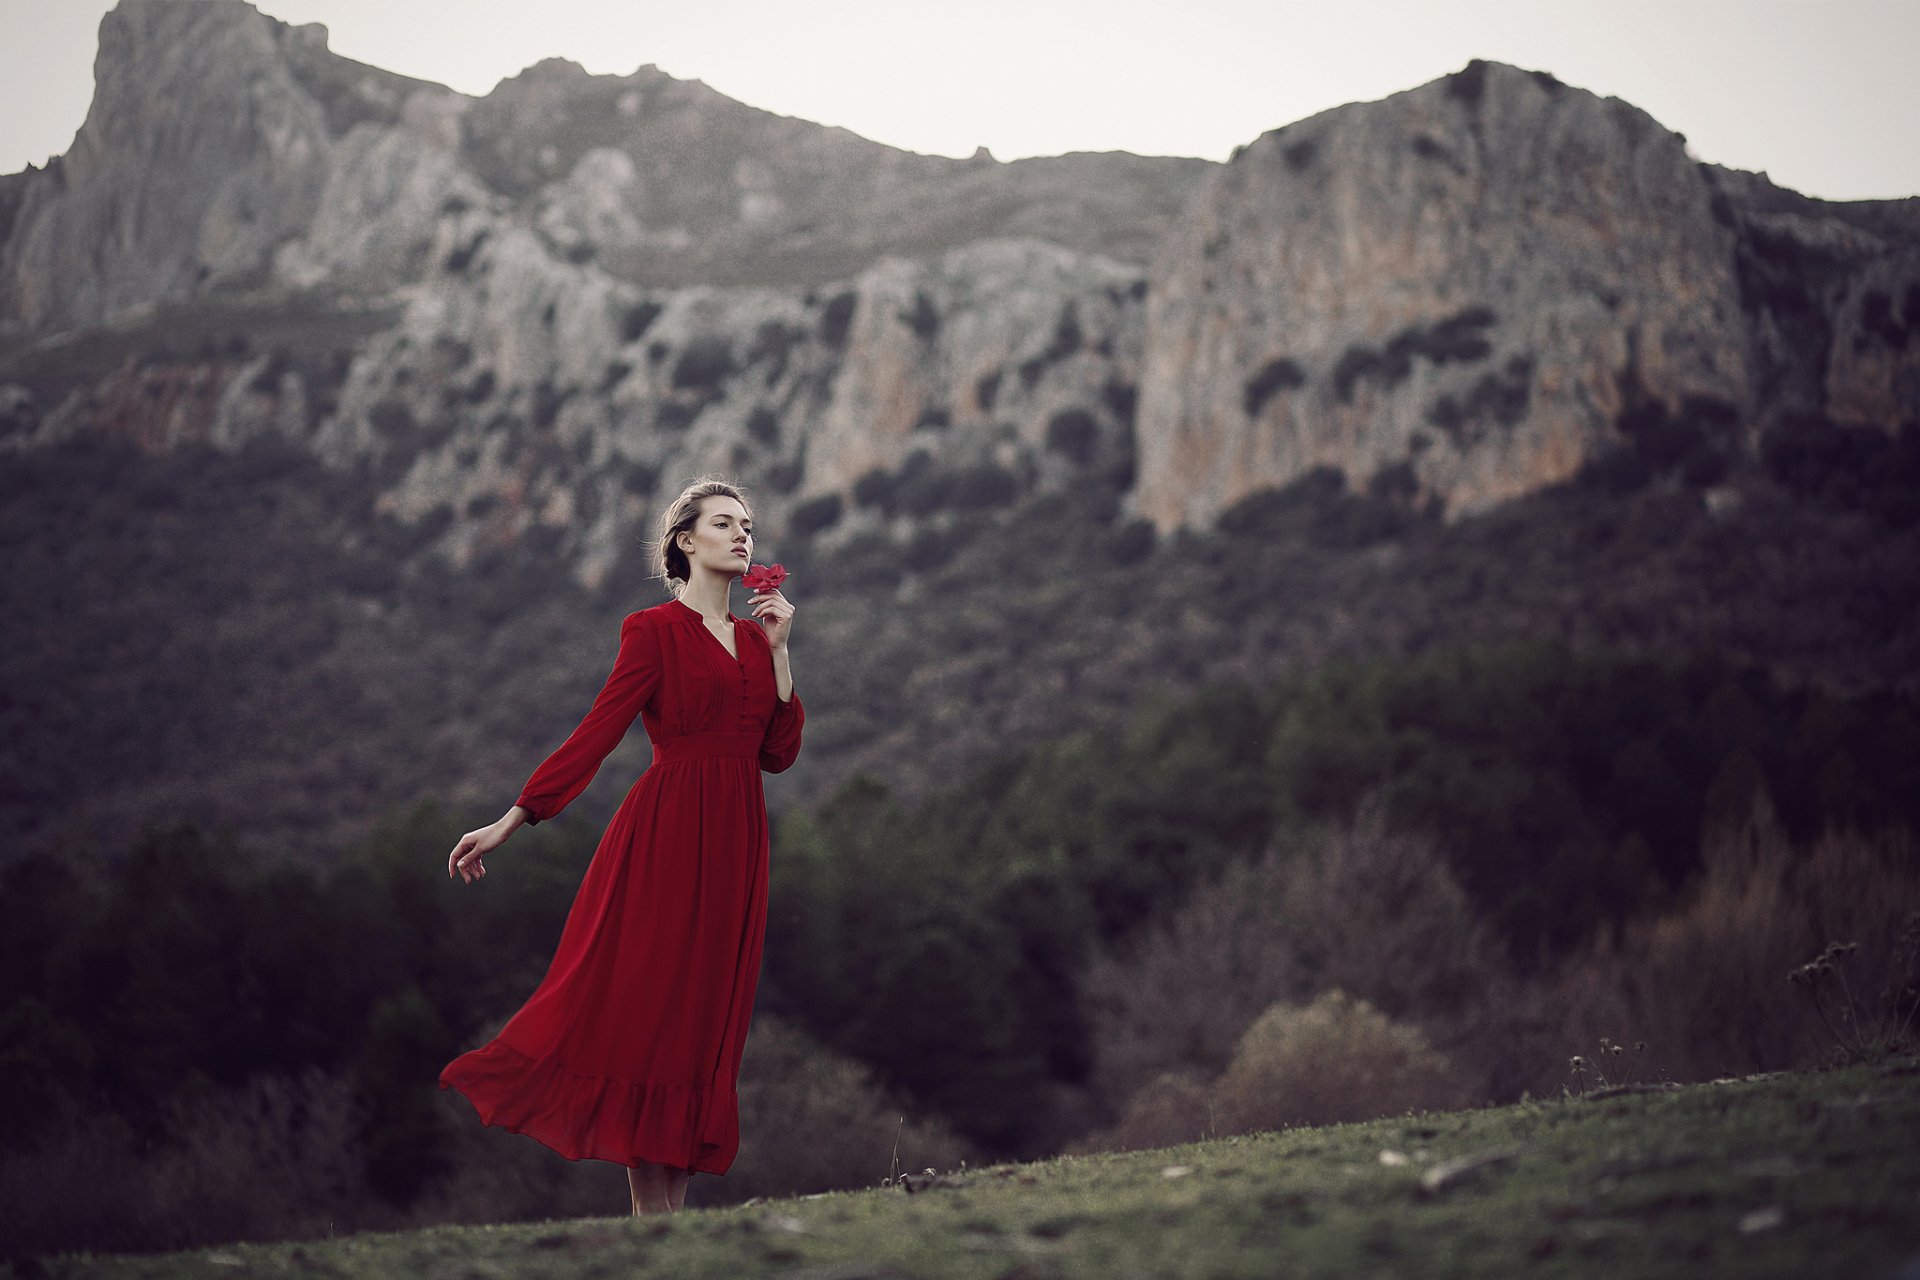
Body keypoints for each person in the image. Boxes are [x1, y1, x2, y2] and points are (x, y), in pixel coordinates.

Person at [437, 475, 803, 1216]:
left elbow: (778, 753)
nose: (743, 534)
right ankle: (652, 1223)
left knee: (705, 1022)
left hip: (737, 847)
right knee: (652, 1015)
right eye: (725, 523)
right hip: (667, 839)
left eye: (748, 525)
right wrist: (516, 816)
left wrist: (781, 652)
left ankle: (668, 1230)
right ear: (684, 541)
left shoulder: (756, 641)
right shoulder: (651, 630)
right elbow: (598, 730)